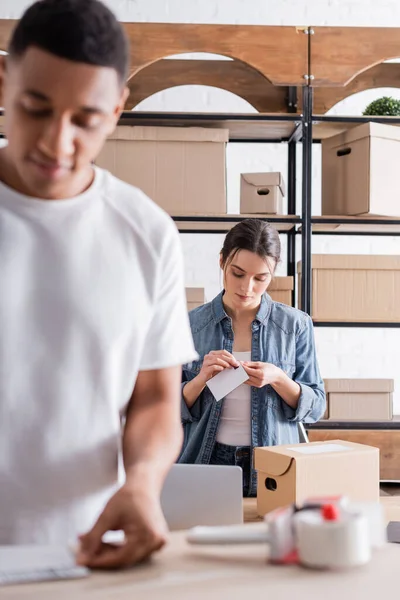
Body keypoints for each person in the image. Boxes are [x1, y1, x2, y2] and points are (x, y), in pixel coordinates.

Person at [0, 0, 197, 568]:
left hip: (83, 554)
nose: (57, 144)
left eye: (85, 120)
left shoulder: (147, 232)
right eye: (36, 109)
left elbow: (156, 396)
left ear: (116, 110)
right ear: (5, 83)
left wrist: (142, 482)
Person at [179, 219, 325, 496]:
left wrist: (280, 379)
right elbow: (166, 409)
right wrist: (200, 380)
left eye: (261, 278)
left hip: (275, 464)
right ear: (222, 261)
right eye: (238, 273)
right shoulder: (189, 326)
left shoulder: (295, 325)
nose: (247, 287)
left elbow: (316, 406)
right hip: (207, 461)